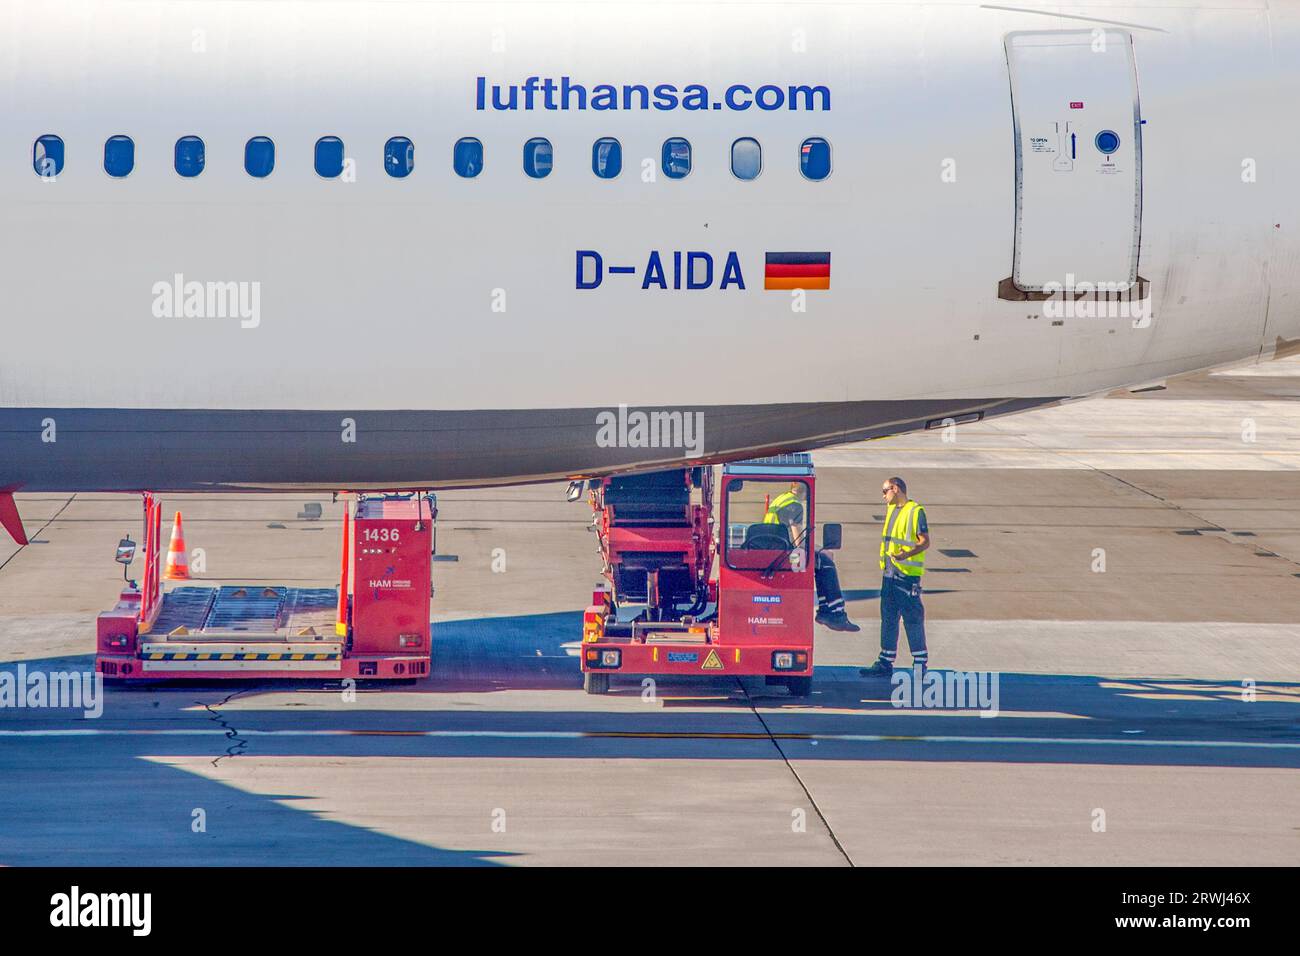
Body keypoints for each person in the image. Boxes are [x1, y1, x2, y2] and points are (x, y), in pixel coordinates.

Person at [763, 483, 859, 633]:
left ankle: (827, 611)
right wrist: (820, 551)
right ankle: (834, 613)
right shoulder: (794, 505)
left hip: (770, 552)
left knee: (818, 557)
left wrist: (816, 549)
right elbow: (798, 540)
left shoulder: (782, 499)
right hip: (784, 557)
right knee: (825, 563)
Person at [861, 476, 930, 676]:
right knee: (888, 617)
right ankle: (885, 661)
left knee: (912, 618)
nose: (883, 496)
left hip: (907, 576)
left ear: (896, 488)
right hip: (889, 574)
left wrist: (905, 555)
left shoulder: (915, 511)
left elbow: (925, 541)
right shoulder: (892, 510)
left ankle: (920, 663)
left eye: (885, 491)